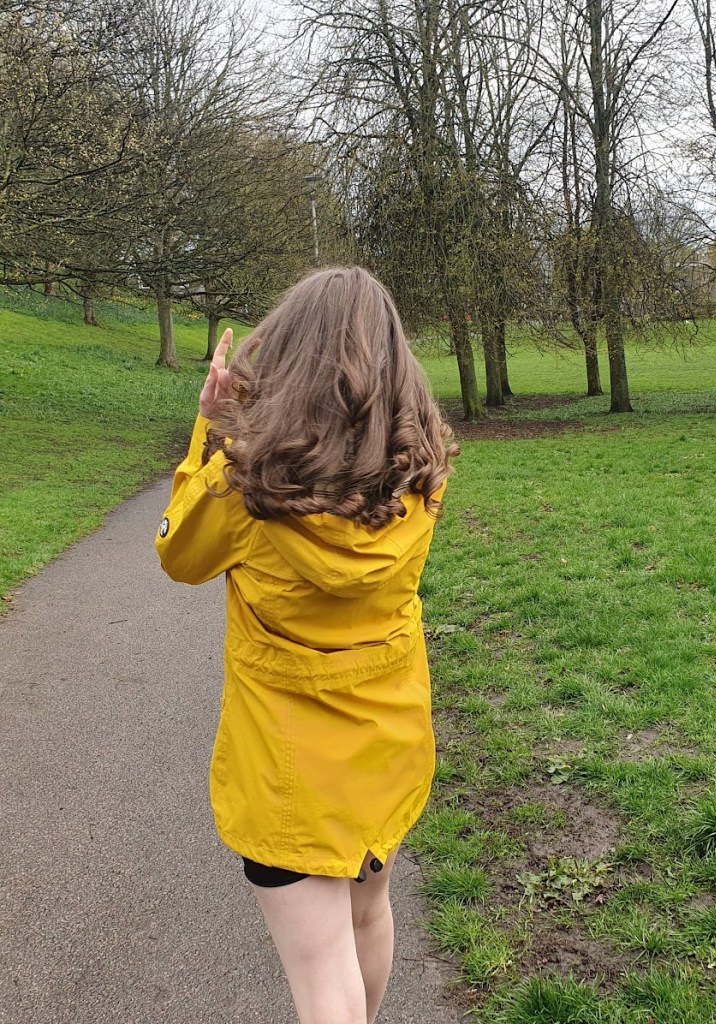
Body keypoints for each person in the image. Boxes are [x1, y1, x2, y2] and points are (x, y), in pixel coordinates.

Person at [155, 266, 457, 1024]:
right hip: (386, 746)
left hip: (288, 771)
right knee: (367, 916)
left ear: (285, 358)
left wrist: (216, 429)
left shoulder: (245, 487)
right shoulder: (419, 479)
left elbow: (178, 557)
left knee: (322, 972)